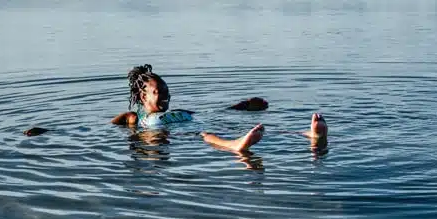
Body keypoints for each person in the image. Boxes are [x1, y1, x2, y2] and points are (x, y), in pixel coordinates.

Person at [111, 64, 327, 155]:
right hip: (171, 136)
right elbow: (113, 124)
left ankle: (306, 134)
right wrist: (137, 139)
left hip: (191, 124)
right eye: (159, 92)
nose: (166, 97)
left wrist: (240, 106)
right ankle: (234, 145)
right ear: (143, 96)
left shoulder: (174, 113)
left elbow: (209, 115)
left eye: (168, 92)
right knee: (204, 135)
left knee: (254, 129)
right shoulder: (135, 116)